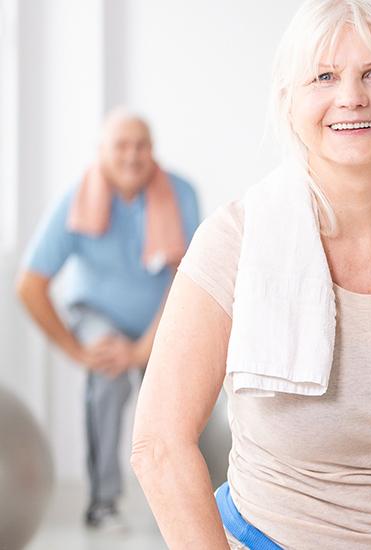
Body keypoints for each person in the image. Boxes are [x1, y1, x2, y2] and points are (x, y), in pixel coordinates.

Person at [129, 1, 371, 548]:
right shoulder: (234, 239)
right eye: (324, 76)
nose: (351, 97)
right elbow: (159, 442)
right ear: (290, 103)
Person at [14, 109, 201, 533]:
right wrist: (75, 350)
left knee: (182, 387)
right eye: (121, 145)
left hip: (164, 315)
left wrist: (144, 348)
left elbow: (188, 278)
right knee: (109, 376)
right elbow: (29, 283)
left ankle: (182, 499)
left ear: (153, 151)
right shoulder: (75, 196)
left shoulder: (182, 193)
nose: (133, 155)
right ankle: (103, 503)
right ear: (101, 152)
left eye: (142, 145)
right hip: (97, 315)